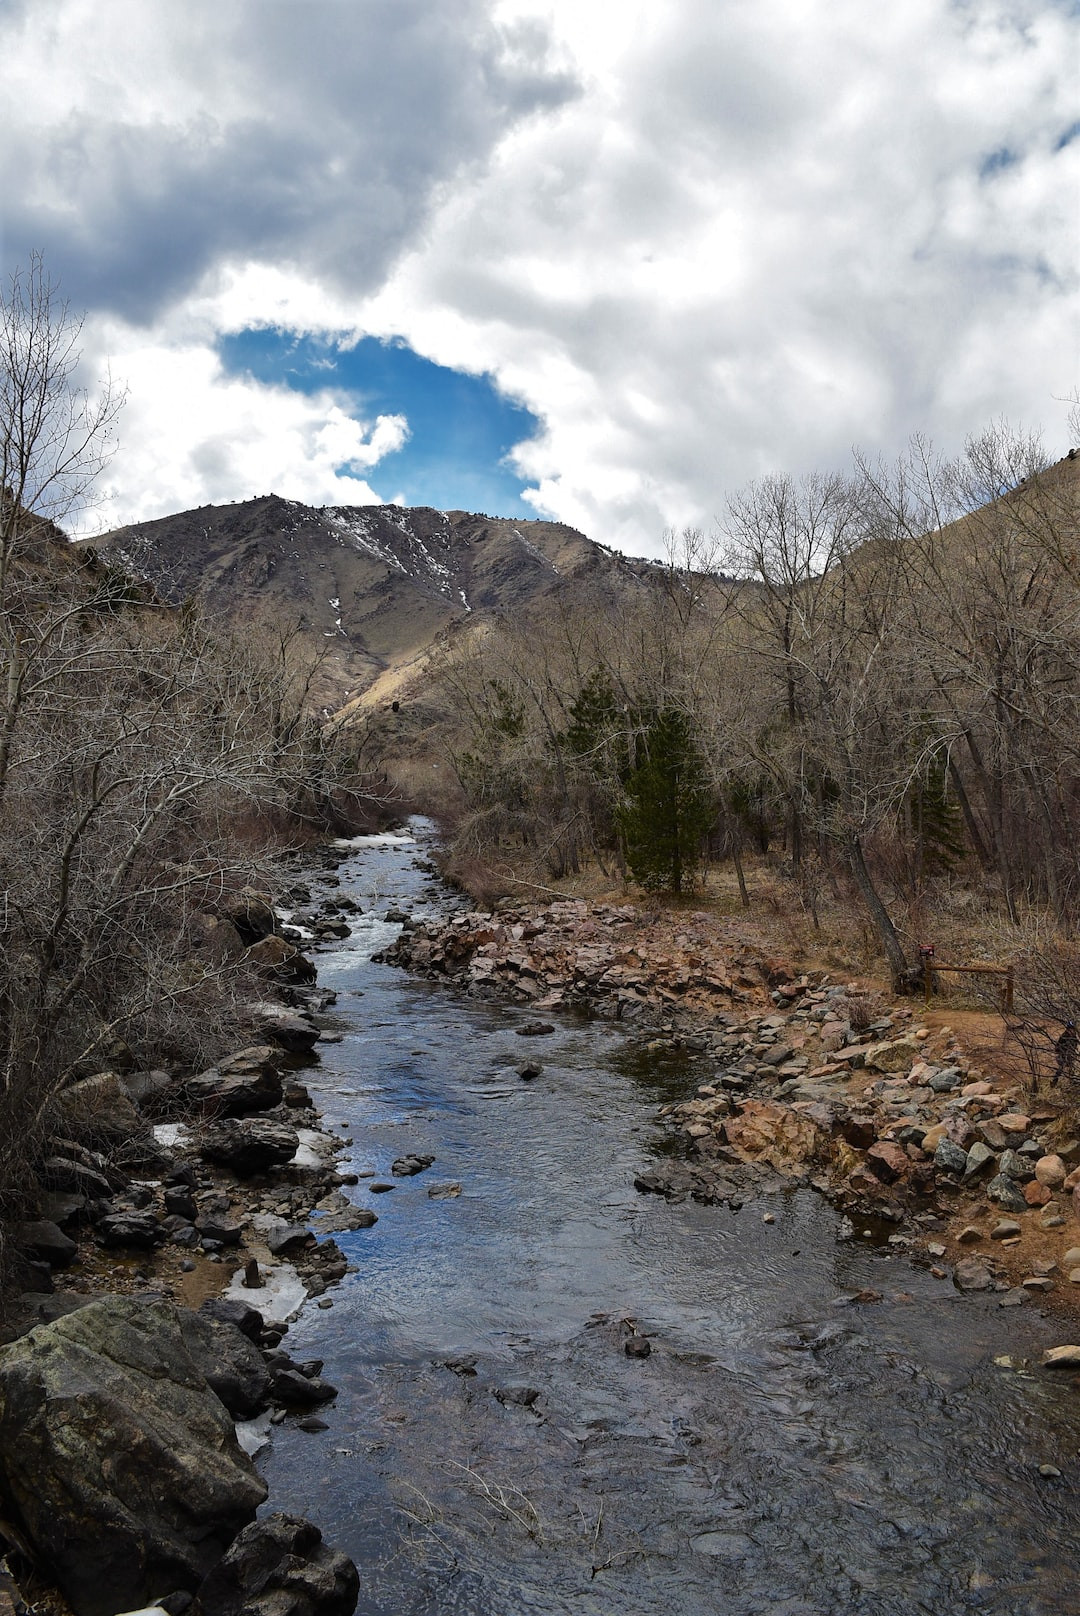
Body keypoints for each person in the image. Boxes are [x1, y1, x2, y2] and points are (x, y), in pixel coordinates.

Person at [1052, 1020, 1077, 1084]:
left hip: (1071, 1055)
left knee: (1072, 1068)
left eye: (1073, 1029)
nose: (1072, 1031)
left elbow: (1075, 1045)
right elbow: (1057, 1048)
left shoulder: (1074, 1037)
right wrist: (1063, 1051)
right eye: (1070, 1029)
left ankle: (1072, 1081)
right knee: (1062, 1067)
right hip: (1063, 1055)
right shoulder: (1064, 1037)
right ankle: (1054, 1081)